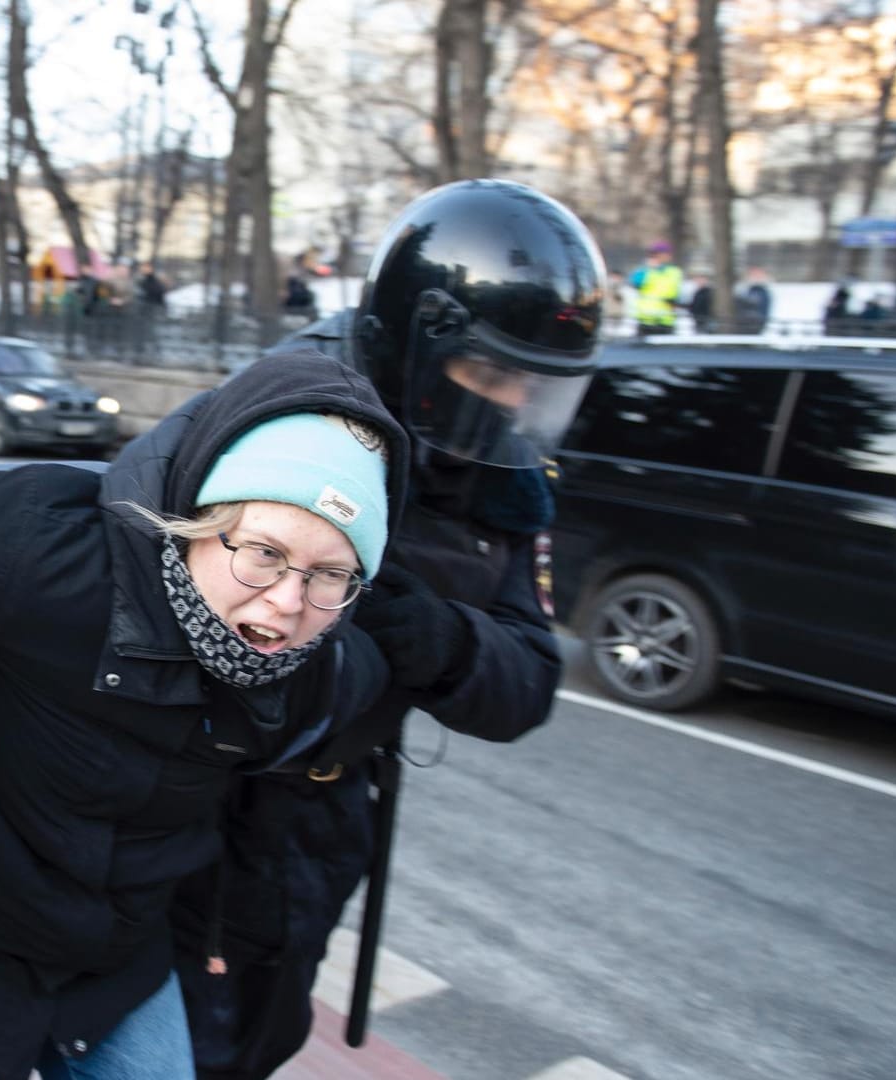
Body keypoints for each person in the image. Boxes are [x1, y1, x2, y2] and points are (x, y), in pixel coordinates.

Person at [0, 348, 404, 1080]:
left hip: (115, 959)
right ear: (200, 520)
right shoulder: (31, 560)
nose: (289, 603)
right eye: (262, 552)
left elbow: (375, 689)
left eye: (329, 574)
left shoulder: (317, 676)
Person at [175, 179, 605, 1079]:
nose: (512, 402)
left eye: (531, 383)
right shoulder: (287, 415)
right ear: (418, 344)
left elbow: (528, 678)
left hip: (329, 816)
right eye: (491, 374)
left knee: (265, 1032)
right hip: (206, 803)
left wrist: (446, 641)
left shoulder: (506, 483)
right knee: (178, 1041)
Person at [630, 240, 681, 336]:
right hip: (647, 319)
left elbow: (676, 293)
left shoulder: (675, 272)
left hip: (666, 319)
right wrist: (647, 268)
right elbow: (635, 283)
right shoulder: (645, 271)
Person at [737, 266, 772, 334]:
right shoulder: (748, 289)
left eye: (758, 275)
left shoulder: (763, 292)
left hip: (754, 325)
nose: (755, 277)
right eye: (753, 275)